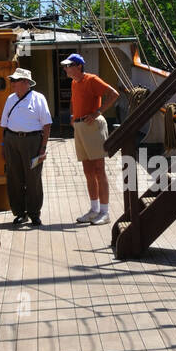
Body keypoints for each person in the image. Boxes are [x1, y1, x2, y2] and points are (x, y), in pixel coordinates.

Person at [61, 54, 119, 225]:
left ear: (78, 66)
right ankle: (94, 210)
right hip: (80, 127)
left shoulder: (92, 79)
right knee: (88, 171)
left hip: (93, 126)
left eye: (68, 65)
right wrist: (72, 116)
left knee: (99, 169)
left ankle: (105, 212)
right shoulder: (74, 83)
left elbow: (114, 94)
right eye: (64, 66)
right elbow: (73, 101)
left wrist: (97, 112)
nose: (65, 69)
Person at [0, 67, 52, 228]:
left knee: (33, 179)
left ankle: (34, 213)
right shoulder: (10, 99)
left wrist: (43, 148)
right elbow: (4, 125)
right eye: (12, 81)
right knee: (14, 178)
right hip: (11, 141)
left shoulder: (39, 98)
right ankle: (20, 213)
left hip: (33, 142)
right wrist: (3, 145)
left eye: (15, 81)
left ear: (25, 82)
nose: (12, 84)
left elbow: (47, 125)